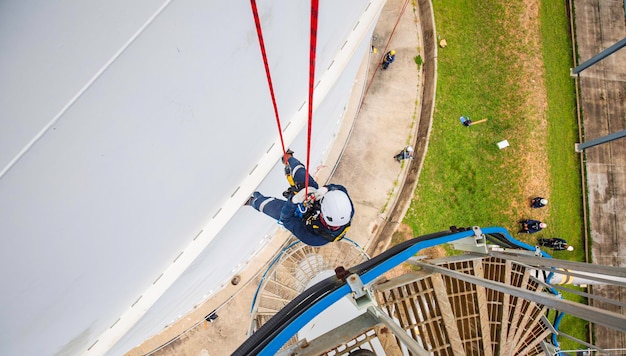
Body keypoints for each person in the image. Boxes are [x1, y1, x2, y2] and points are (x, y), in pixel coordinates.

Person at [246, 152, 354, 247]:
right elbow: (340, 189)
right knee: (302, 175)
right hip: (314, 198)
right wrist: (325, 189)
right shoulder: (346, 208)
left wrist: (293, 202)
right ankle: (289, 159)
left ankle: (253, 200)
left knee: (271, 208)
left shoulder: (314, 239)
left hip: (299, 217)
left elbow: (286, 220)